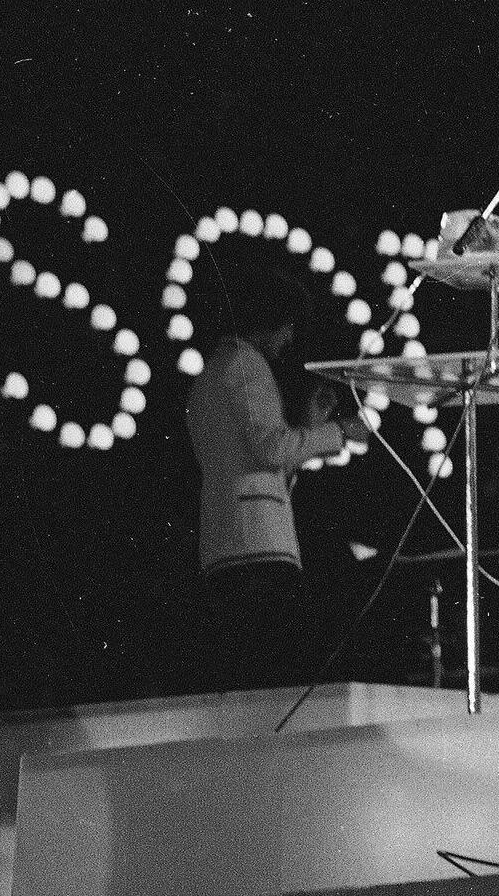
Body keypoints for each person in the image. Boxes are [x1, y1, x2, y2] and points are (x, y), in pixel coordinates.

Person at [187, 262, 360, 689]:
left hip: (228, 541)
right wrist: (339, 432)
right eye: (288, 327)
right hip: (257, 545)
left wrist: (309, 423)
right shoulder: (245, 363)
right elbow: (271, 449)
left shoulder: (215, 369)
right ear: (271, 319)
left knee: (253, 675)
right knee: (276, 672)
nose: (289, 339)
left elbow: (260, 461)